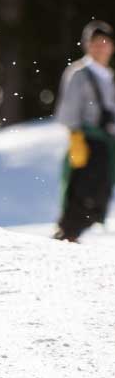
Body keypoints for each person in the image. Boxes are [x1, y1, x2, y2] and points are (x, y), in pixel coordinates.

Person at [53, 19, 115, 242]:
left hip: (107, 143)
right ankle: (67, 234)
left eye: (105, 42)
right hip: (87, 141)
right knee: (83, 191)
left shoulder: (109, 76)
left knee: (101, 194)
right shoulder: (80, 74)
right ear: (87, 45)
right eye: (95, 42)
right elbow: (68, 110)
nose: (101, 46)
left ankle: (75, 234)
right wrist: (76, 137)